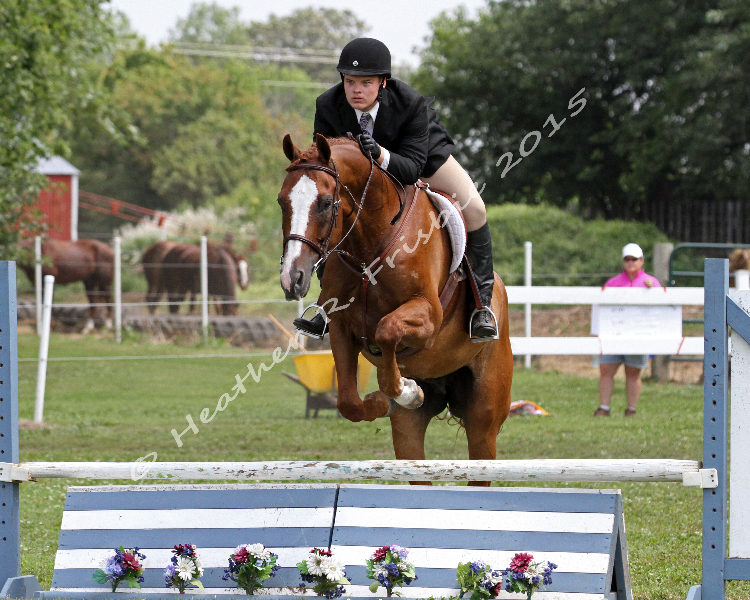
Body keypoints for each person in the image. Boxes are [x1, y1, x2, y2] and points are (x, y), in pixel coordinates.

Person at [292, 37, 498, 342]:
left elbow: (412, 170)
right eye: (350, 82)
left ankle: (482, 306)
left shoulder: (411, 103)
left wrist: (379, 153)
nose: (356, 90)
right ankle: (327, 307)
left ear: (383, 83)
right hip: (363, 173)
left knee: (476, 208)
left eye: (366, 83)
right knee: (332, 213)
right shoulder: (327, 105)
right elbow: (324, 162)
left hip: (421, 157)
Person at [594, 243, 661, 417]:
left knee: (633, 372)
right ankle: (604, 407)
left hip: (638, 335)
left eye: (634, 259)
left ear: (642, 261)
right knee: (606, 370)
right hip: (614, 335)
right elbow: (602, 306)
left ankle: (631, 409)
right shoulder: (613, 283)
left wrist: (652, 291)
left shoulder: (651, 283)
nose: (630, 262)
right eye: (627, 259)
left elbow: (660, 308)